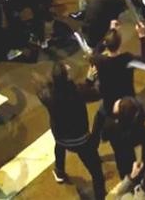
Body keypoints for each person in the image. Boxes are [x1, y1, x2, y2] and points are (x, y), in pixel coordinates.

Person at [37, 61, 106, 199]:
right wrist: (91, 80)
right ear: (67, 77)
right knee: (96, 171)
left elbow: (42, 91)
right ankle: (100, 196)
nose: (69, 67)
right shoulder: (77, 91)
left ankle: (60, 171)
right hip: (80, 140)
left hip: (61, 137)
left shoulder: (48, 95)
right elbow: (95, 94)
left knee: (59, 147)